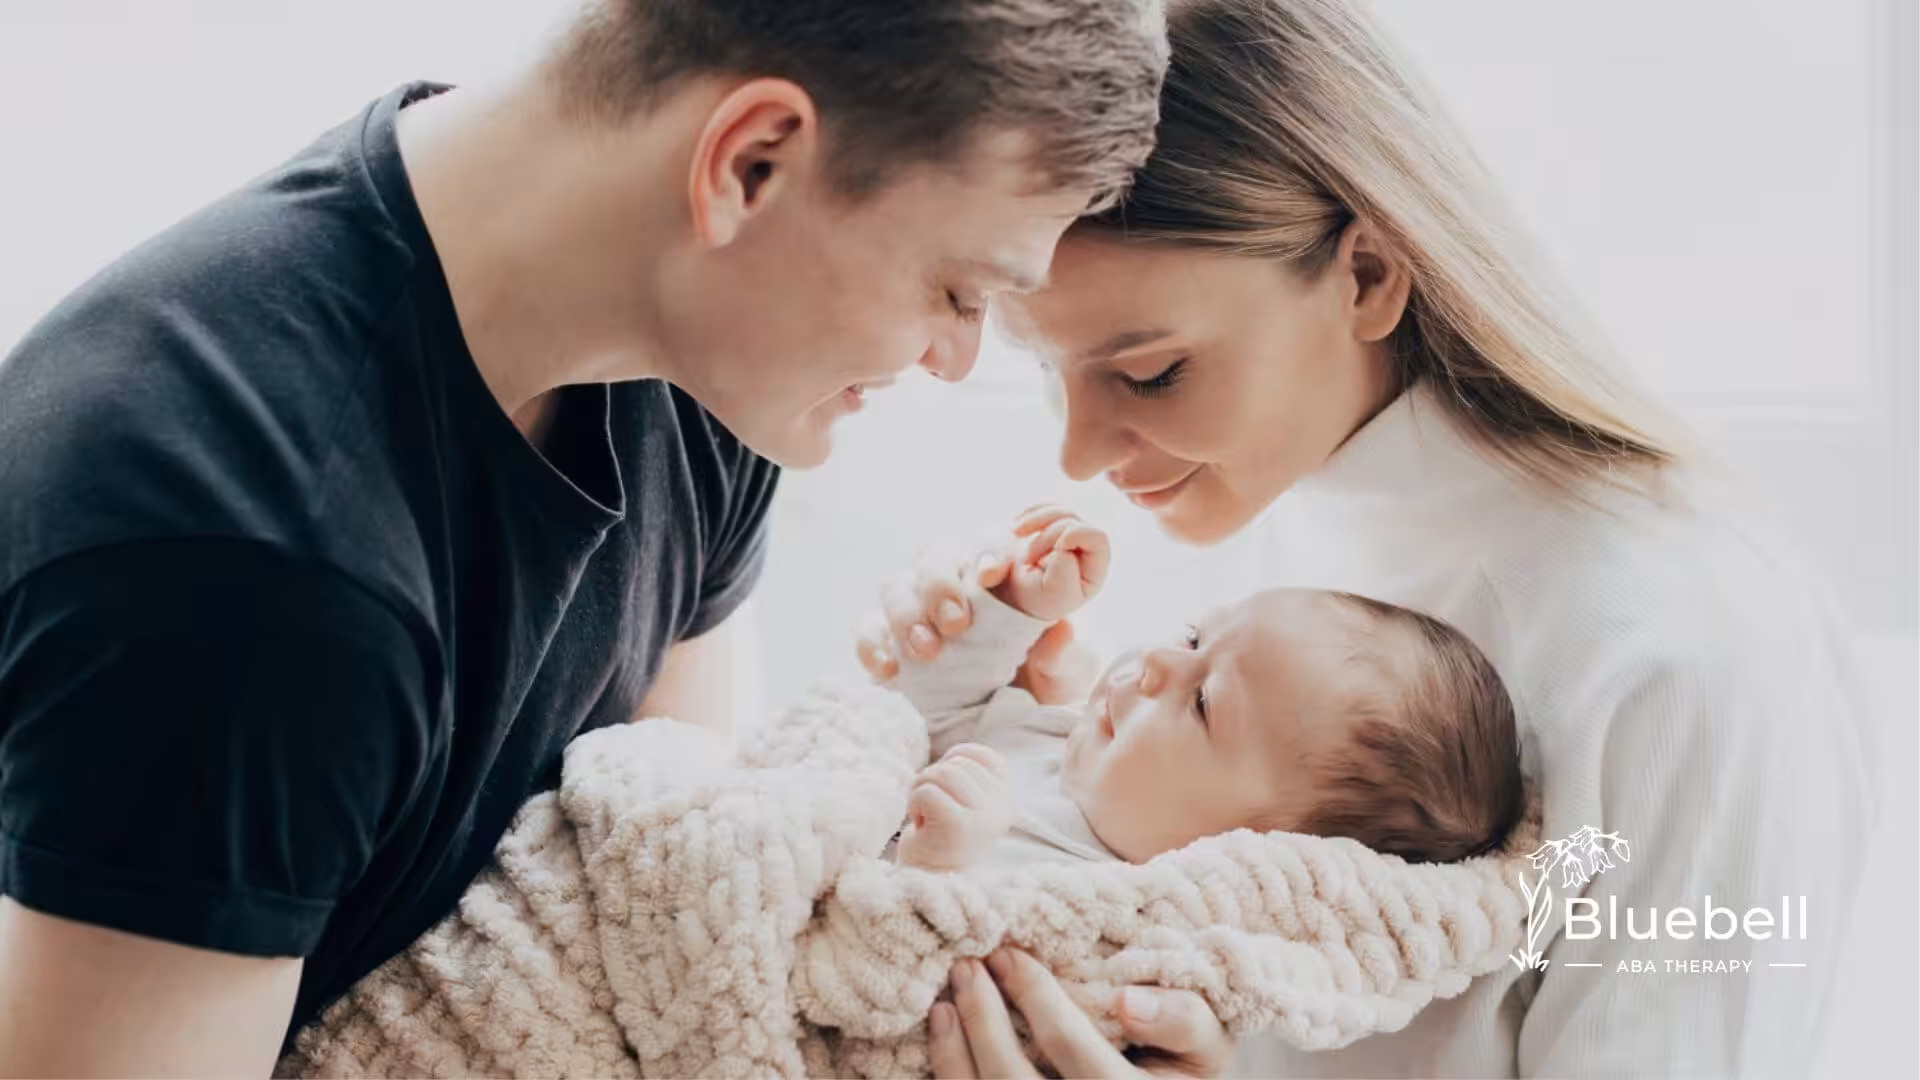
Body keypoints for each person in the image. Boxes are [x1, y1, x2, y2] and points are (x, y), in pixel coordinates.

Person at [0, 2, 1200, 1075]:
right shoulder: (251, 570)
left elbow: (677, 925)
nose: (954, 359)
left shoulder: (695, 369)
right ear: (752, 163)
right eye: (956, 290)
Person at [859, 1, 1878, 1076]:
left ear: (1368, 276)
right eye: (1051, 369)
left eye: (1153, 371)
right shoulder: (1294, 527)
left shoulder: (1679, 653)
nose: (1078, 456)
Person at [886, 507, 1526, 874]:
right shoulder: (1058, 738)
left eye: (1202, 704)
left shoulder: (1110, 907)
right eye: (1194, 639)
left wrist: (941, 868)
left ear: (1253, 854)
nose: (1159, 662)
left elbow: (951, 979)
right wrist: (1013, 610)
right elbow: (934, 711)